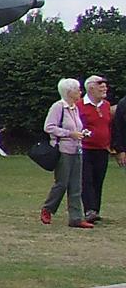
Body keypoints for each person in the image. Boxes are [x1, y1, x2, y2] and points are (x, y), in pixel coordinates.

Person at [40, 77, 92, 228]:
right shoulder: (58, 107)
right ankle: (48, 208)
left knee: (76, 185)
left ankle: (76, 218)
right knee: (62, 183)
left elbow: (76, 128)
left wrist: (82, 133)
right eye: (78, 90)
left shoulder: (75, 108)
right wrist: (69, 134)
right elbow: (49, 127)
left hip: (77, 149)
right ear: (69, 92)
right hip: (64, 150)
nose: (80, 92)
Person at [80, 75, 112, 223]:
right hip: (85, 149)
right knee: (86, 179)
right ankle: (89, 209)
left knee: (98, 179)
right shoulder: (80, 106)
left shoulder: (106, 105)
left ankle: (95, 210)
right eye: (100, 84)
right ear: (90, 87)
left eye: (105, 84)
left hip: (102, 149)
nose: (104, 87)